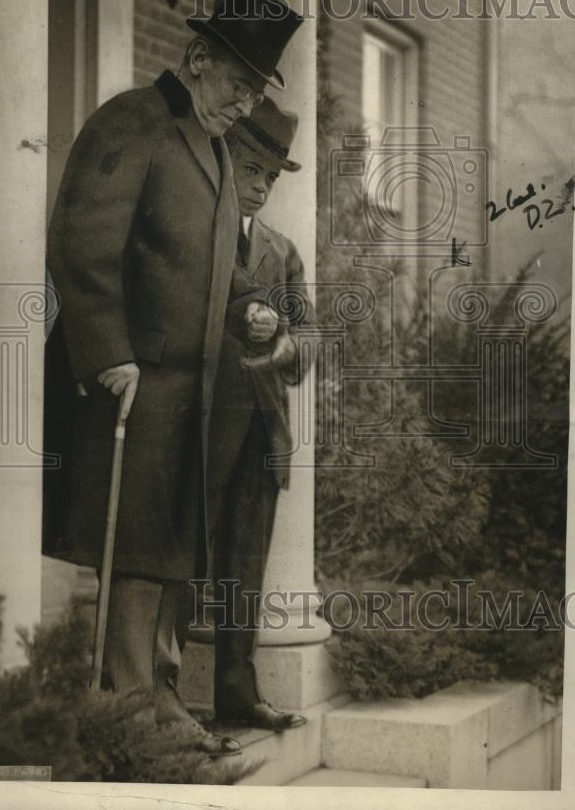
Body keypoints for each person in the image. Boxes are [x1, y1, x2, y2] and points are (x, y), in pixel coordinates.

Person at [44, 0, 303, 756]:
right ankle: (128, 705)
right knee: (134, 545)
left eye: (255, 90)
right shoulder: (134, 121)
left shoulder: (220, 157)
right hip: (137, 382)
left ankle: (155, 694)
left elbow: (215, 277)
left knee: (168, 547)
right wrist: (109, 352)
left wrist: (248, 311)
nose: (244, 103)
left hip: (194, 393)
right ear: (196, 58)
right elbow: (81, 240)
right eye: (237, 83)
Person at [194, 97, 315, 731]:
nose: (260, 185)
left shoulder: (282, 252)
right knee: (180, 559)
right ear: (223, 158)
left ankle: (237, 697)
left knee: (244, 568)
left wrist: (279, 340)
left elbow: (309, 346)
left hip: (263, 431)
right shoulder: (198, 233)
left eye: (270, 175)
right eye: (250, 167)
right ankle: (154, 695)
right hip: (196, 424)